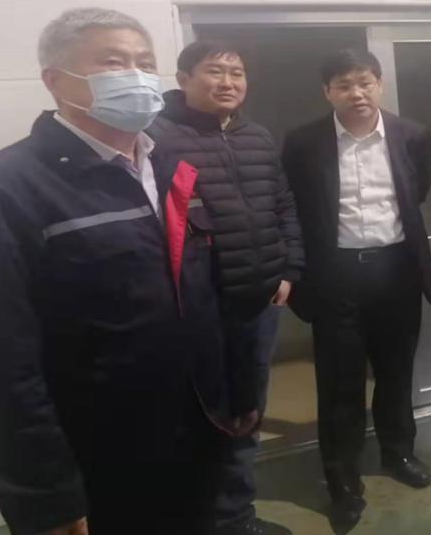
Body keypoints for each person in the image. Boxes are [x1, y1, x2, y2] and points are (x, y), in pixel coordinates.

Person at [0, 8, 260, 535]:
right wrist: (43, 497)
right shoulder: (1, 192)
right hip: (98, 457)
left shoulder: (171, 167)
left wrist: (237, 391)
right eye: (114, 63)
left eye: (146, 63)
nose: (137, 76)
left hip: (194, 434)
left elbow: (204, 295)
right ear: (56, 81)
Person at [147, 41, 303, 535]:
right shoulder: (156, 138)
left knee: (247, 413)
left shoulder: (256, 135)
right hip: (198, 307)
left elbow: (283, 205)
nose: (228, 82)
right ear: (183, 79)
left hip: (257, 302)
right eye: (215, 71)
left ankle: (236, 517)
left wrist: (288, 269)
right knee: (199, 417)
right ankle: (198, 519)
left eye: (236, 73)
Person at [281, 49, 431, 535]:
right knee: (339, 382)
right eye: (345, 85)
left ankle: (398, 453)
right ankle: (342, 480)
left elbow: (417, 192)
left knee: (396, 371)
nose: (357, 93)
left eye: (365, 82)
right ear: (327, 92)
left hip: (397, 270)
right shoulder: (303, 142)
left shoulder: (412, 135)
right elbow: (293, 206)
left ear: (380, 84)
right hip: (336, 276)